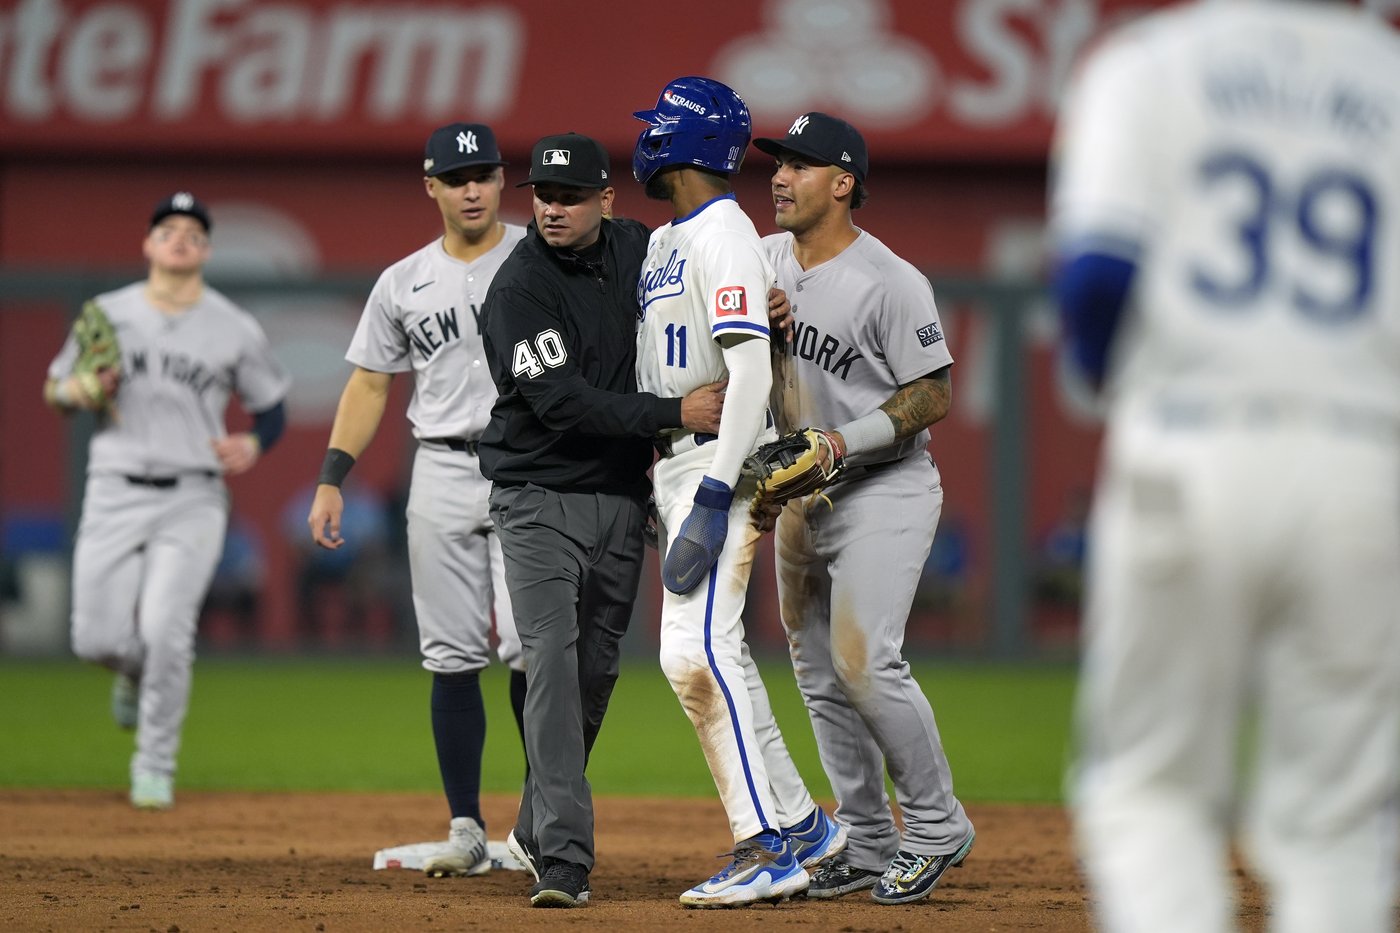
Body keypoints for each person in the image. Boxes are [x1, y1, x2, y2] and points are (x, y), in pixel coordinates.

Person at [1050, 3, 1400, 932]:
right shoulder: (1390, 77)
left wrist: (1115, 380)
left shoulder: (1148, 64)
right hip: (1365, 458)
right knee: (1337, 825)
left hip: (1191, 434)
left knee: (1151, 789)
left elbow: (1094, 277)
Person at [479, 131, 731, 909]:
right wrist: (675, 411)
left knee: (592, 677)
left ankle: (533, 821)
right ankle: (564, 857)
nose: (551, 209)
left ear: (606, 200)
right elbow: (563, 404)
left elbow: (694, 292)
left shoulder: (639, 250)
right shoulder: (517, 289)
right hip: (537, 495)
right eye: (542, 196)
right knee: (549, 660)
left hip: (622, 499)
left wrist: (759, 302)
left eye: (568, 196)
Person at [749, 111, 975, 905]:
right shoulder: (762, 257)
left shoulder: (889, 278)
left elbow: (935, 391)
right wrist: (753, 330)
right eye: (778, 162)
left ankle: (938, 824)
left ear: (843, 182)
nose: (779, 175)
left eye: (800, 165)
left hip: (884, 486)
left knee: (864, 660)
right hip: (800, 495)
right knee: (816, 670)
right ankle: (869, 838)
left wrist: (843, 442)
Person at [631, 76, 847, 909]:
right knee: (716, 653)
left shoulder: (723, 230)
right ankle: (805, 829)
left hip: (714, 464)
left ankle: (763, 847)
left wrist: (720, 491)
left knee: (692, 654)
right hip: (675, 464)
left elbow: (749, 368)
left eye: (659, 129)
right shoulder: (668, 239)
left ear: (685, 143)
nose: (648, 139)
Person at [307, 123, 529, 878]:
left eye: (484, 174)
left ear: (502, 181)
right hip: (438, 465)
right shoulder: (403, 280)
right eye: (456, 176)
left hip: (530, 466)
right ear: (430, 186)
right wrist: (334, 473)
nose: (472, 188)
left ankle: (541, 824)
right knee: (450, 652)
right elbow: (371, 381)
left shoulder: (541, 256)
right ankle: (466, 825)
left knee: (533, 647)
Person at [44, 191, 291, 810]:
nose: (180, 238)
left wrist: (255, 443)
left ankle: (154, 765)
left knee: (165, 629)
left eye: (192, 231)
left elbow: (273, 407)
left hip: (193, 495)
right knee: (93, 640)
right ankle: (131, 671)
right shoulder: (106, 312)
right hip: (113, 487)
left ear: (206, 249)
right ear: (149, 244)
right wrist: (80, 386)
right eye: (167, 229)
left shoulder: (234, 325)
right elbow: (56, 389)